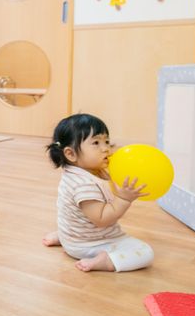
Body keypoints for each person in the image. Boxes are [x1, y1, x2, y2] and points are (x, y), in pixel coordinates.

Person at [42, 113, 154, 272]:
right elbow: (101, 220)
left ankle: (65, 235)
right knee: (145, 253)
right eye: (96, 143)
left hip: (76, 236)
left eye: (107, 141)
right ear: (71, 154)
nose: (106, 148)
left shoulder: (83, 171)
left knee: (76, 220)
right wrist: (124, 199)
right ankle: (106, 261)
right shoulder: (84, 184)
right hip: (89, 243)